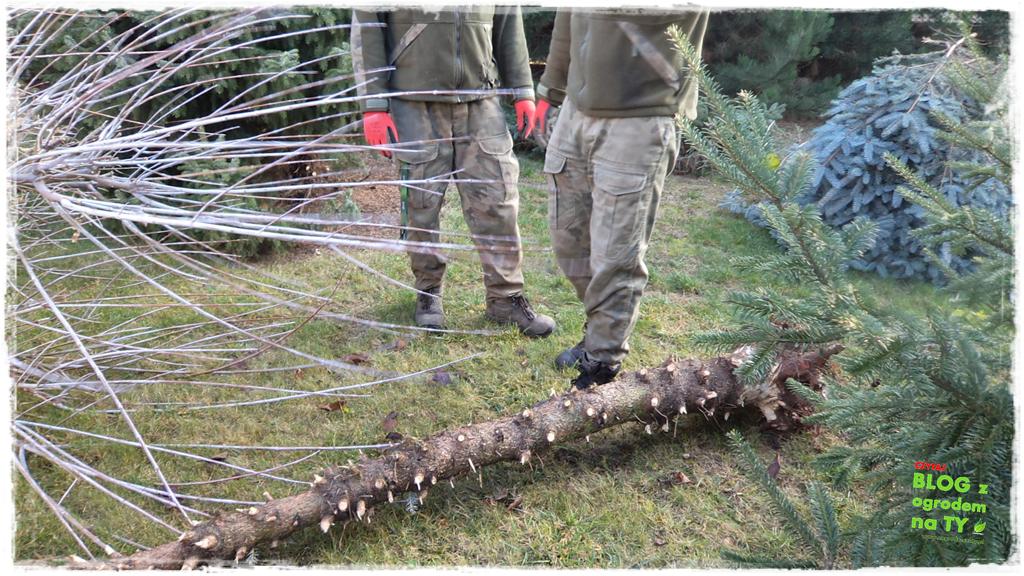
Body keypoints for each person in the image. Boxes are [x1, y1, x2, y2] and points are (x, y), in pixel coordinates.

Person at [351, 6, 556, 337]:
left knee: (499, 201)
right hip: (414, 99)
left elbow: (508, 21)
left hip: (481, 98)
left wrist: (522, 90)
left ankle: (506, 298)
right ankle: (428, 290)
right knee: (421, 205)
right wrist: (374, 105)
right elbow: (367, 25)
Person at [536, 8, 709, 388]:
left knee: (616, 253)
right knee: (569, 241)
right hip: (576, 112)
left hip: (642, 115)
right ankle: (599, 330)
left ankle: (602, 363)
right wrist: (552, 86)